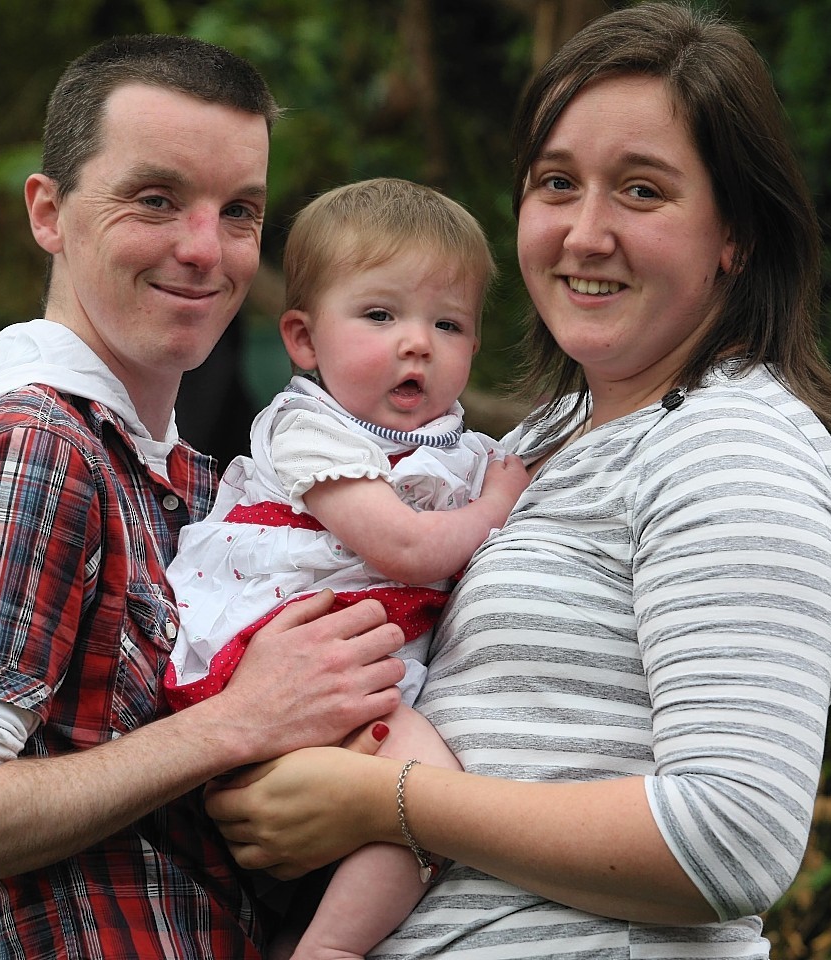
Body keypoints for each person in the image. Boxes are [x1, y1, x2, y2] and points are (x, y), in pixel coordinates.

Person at [202, 4, 831, 958]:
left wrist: (388, 802)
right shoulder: (548, 436)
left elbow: (732, 839)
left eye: (641, 191)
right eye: (557, 183)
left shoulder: (734, 448)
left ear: (738, 235)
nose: (584, 233)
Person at [0, 34, 411, 960]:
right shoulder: (34, 447)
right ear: (49, 212)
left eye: (239, 212)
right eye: (155, 200)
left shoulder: (189, 478)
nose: (204, 250)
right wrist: (236, 722)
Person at [164, 177, 529, 959]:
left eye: (449, 323)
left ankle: (312, 934)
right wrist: (495, 506)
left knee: (405, 798)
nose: (416, 342)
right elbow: (405, 549)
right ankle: (330, 949)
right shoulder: (310, 429)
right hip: (278, 657)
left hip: (349, 658)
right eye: (378, 315)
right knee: (427, 783)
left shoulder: (451, 447)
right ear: (302, 339)